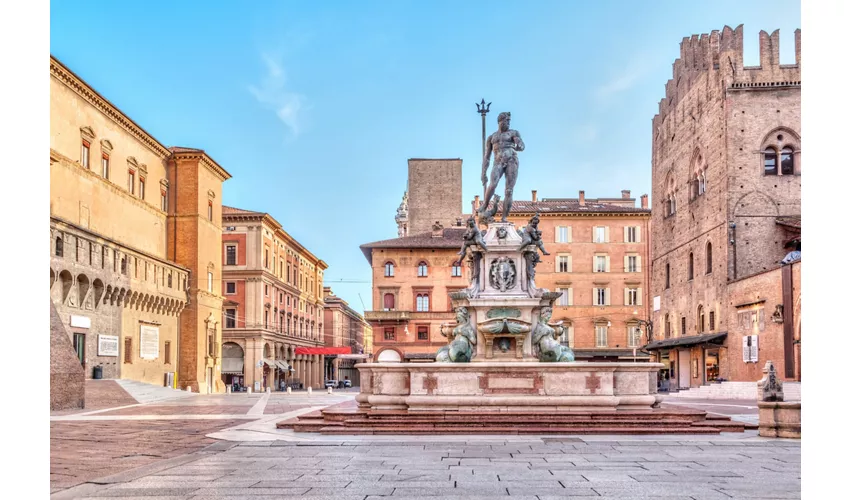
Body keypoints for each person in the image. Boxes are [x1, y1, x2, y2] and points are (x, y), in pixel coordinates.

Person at [478, 112, 525, 222]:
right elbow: (487, 157)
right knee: (492, 184)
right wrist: (483, 172)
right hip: (497, 161)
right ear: (500, 121)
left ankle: (504, 217)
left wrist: (519, 144)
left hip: (511, 160)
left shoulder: (513, 133)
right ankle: (485, 205)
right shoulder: (492, 137)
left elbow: (521, 145)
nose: (508, 123)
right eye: (506, 120)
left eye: (509, 121)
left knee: (509, 190)